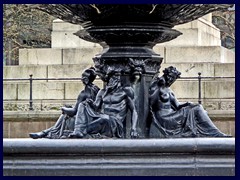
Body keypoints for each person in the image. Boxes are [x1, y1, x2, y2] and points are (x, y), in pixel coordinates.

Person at [148, 66, 229, 138]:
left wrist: (188, 104)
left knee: (197, 107)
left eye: (174, 79)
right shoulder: (156, 86)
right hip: (164, 118)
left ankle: (214, 133)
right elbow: (148, 101)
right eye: (172, 78)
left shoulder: (169, 90)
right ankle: (215, 133)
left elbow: (177, 106)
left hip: (172, 115)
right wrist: (159, 87)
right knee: (197, 109)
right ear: (167, 76)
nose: (172, 81)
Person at [29, 67, 100, 139]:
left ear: (86, 80)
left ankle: (44, 133)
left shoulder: (84, 93)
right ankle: (44, 133)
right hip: (93, 118)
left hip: (83, 122)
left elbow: (74, 112)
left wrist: (63, 108)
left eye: (82, 77)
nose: (81, 79)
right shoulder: (96, 89)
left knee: (64, 116)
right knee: (67, 111)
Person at [68, 73, 139, 139]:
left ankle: (83, 131)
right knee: (83, 104)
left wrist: (133, 128)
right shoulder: (102, 92)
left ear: (118, 81)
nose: (111, 81)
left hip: (115, 122)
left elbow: (134, 111)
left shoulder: (125, 92)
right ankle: (78, 130)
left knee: (105, 119)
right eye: (110, 79)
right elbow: (96, 107)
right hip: (102, 117)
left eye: (114, 79)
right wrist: (90, 103)